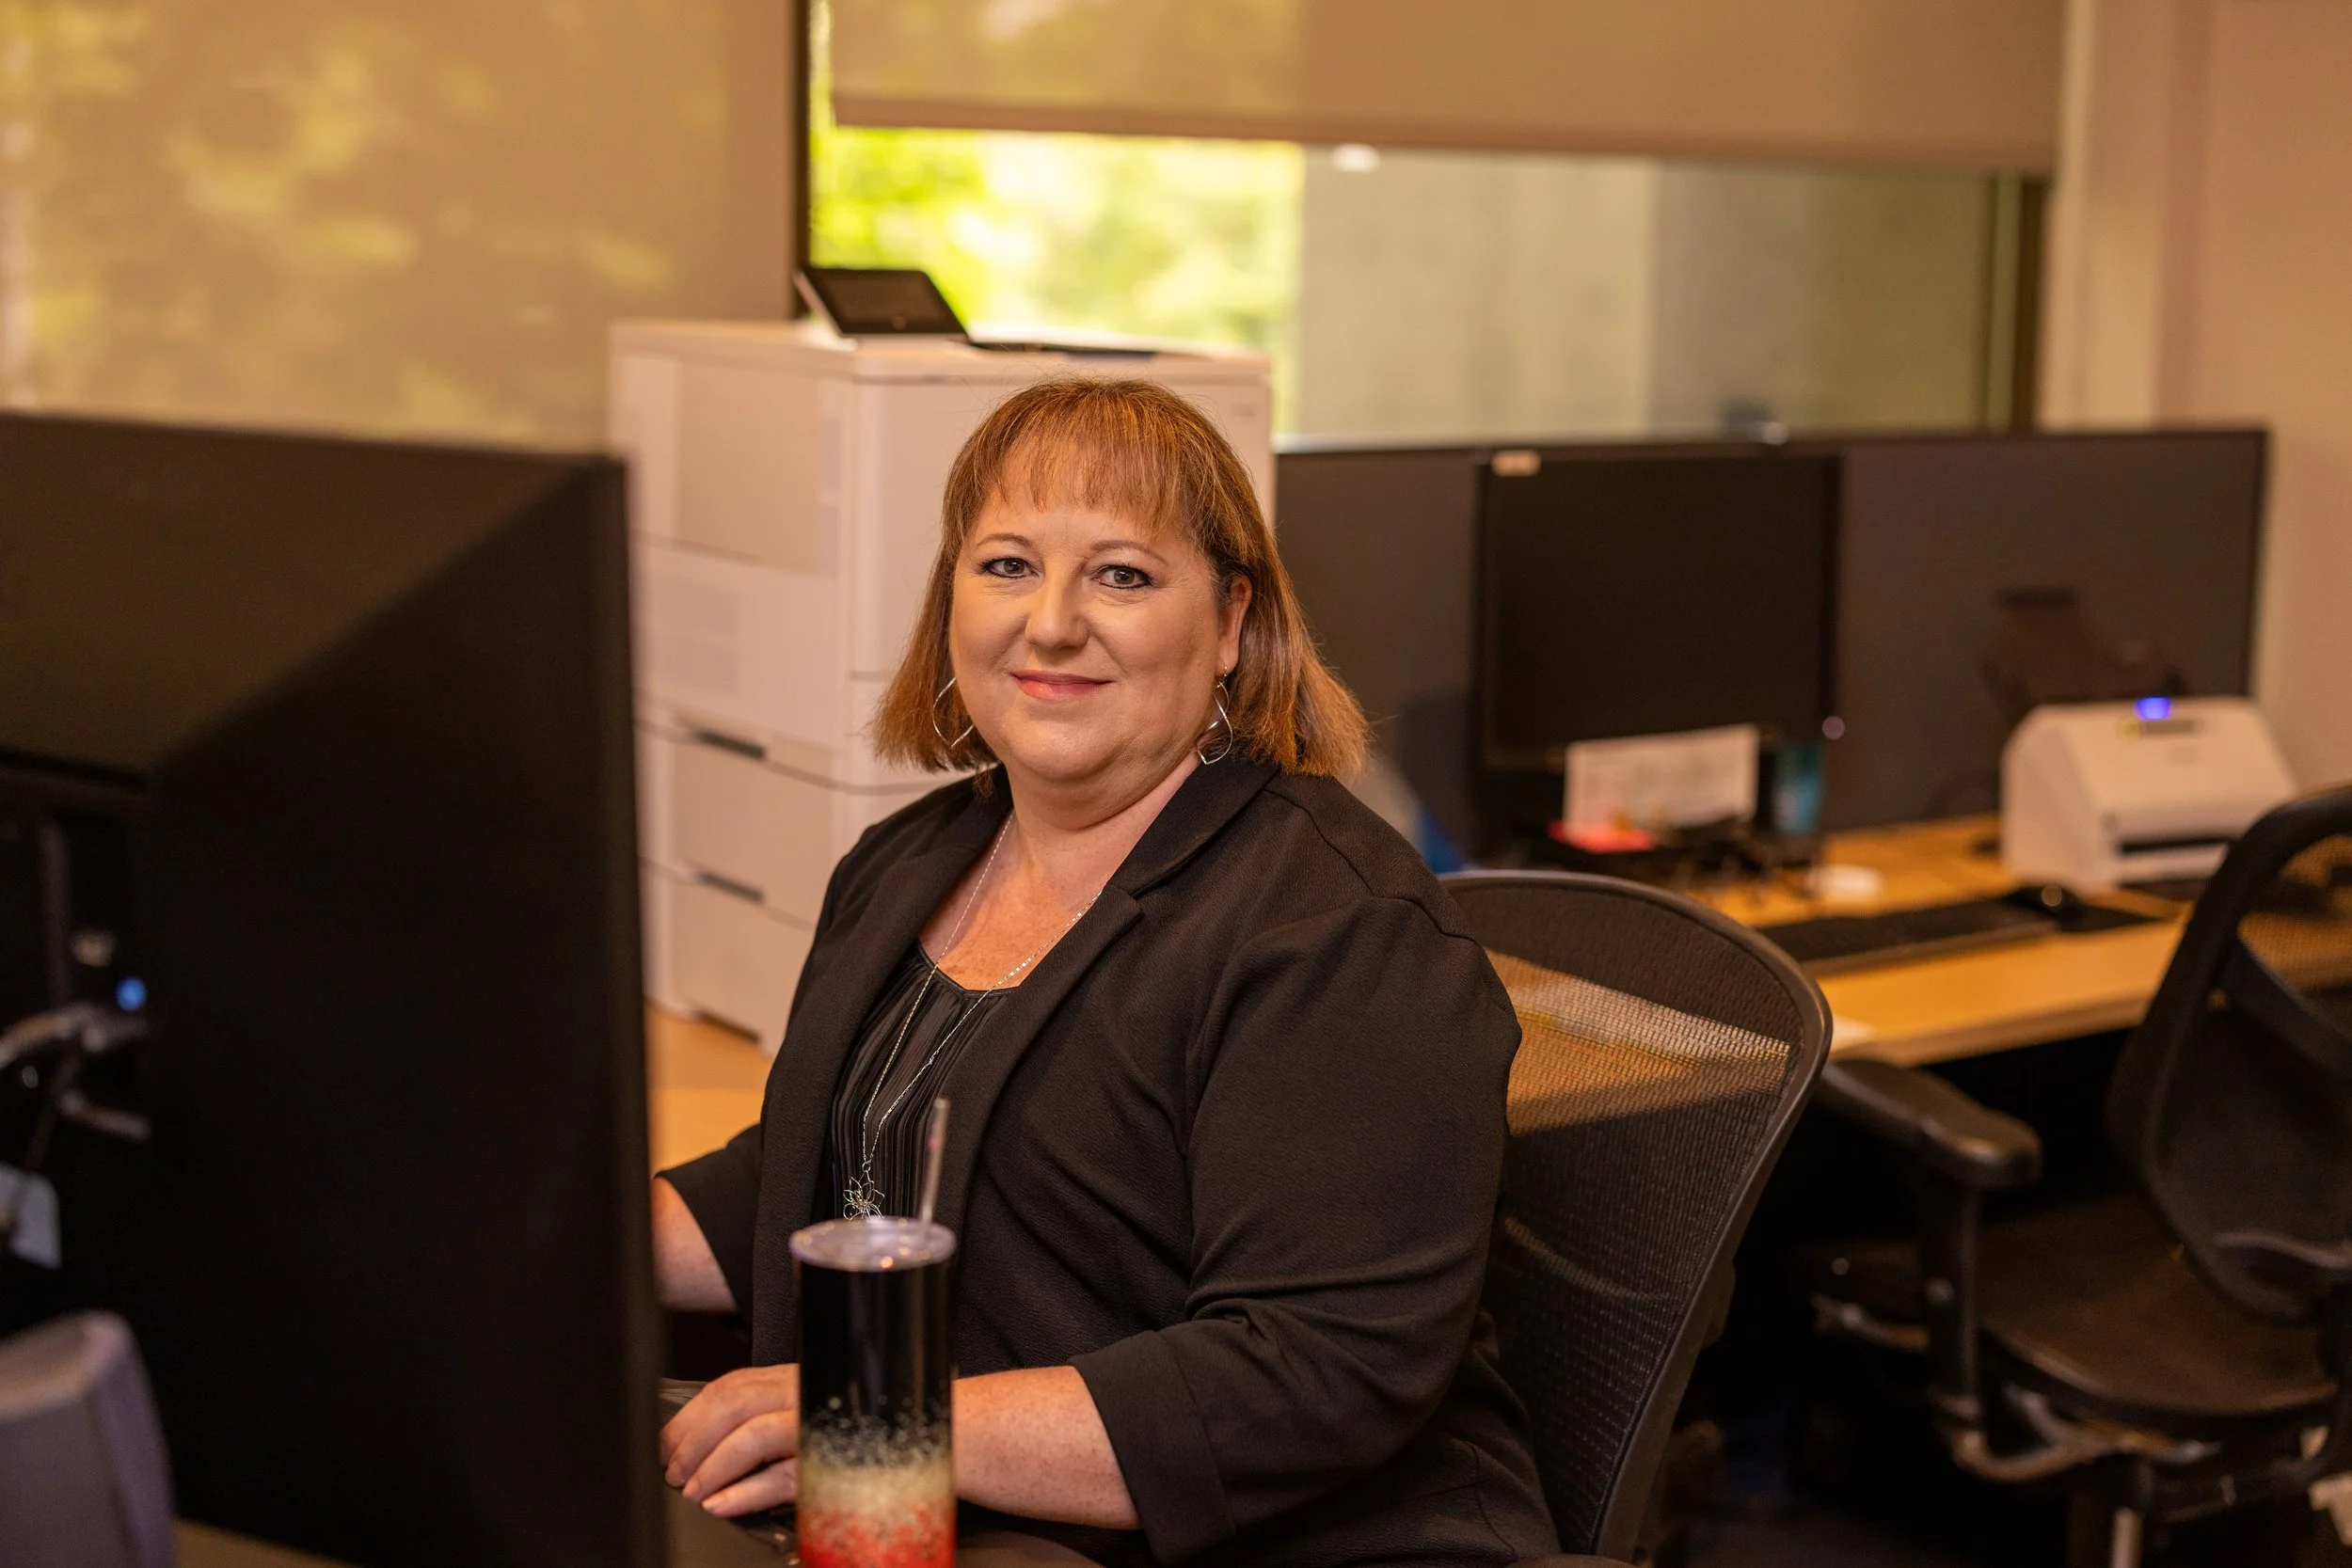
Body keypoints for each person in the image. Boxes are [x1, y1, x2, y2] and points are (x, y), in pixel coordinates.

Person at [652, 377, 1555, 1567]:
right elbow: (821, 1171)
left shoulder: (1333, 930)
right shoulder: (909, 860)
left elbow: (1310, 1366)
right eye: (1008, 564)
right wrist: (540, 1239)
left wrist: (875, 1419)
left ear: (1232, 622)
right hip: (962, 1507)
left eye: (1121, 574)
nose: (1052, 622)